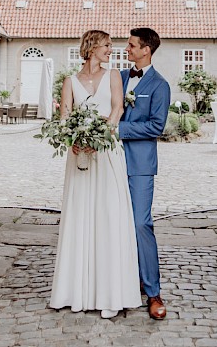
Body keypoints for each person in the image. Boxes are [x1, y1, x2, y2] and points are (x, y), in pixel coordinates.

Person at [49, 30, 142, 319]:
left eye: (111, 47)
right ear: (91, 48)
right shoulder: (70, 81)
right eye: (106, 46)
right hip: (79, 156)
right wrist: (74, 140)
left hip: (108, 152)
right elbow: (64, 117)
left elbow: (117, 108)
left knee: (109, 215)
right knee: (81, 216)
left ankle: (111, 293)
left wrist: (100, 135)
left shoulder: (113, 75)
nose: (110, 51)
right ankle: (74, 291)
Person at [119, 27, 171, 320]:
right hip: (111, 162)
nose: (126, 50)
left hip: (140, 166)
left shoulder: (160, 85)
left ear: (145, 50)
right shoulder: (120, 77)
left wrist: (120, 129)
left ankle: (153, 292)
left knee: (141, 224)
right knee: (113, 224)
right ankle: (119, 282)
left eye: (131, 46)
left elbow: (156, 127)